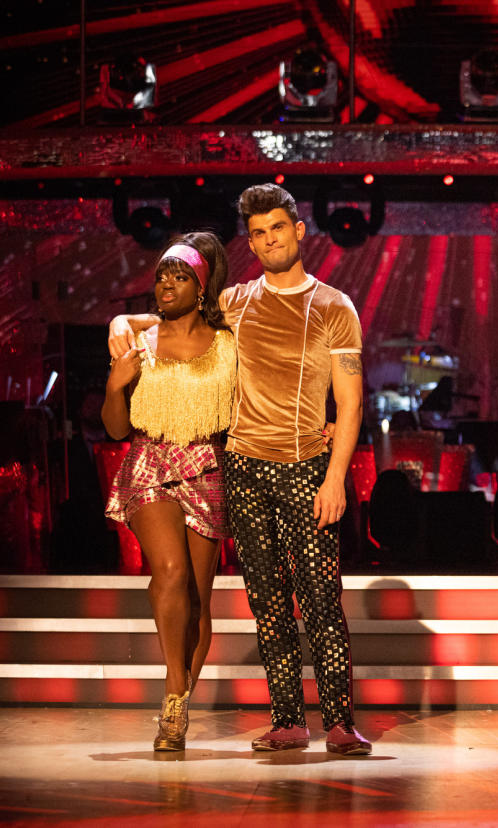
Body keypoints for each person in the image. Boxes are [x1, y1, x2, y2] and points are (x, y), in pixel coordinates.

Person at [109, 184, 370, 755]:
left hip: (307, 465)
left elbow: (350, 403)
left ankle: (339, 722)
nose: (268, 239)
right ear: (249, 242)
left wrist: (335, 478)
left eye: (277, 227)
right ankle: (286, 720)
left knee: (321, 596)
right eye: (257, 232)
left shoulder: (333, 306)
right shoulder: (237, 300)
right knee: (266, 600)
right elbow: (169, 318)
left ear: (299, 230)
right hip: (244, 466)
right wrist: (120, 325)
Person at [101, 232, 235, 751]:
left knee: (198, 606)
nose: (166, 286)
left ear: (201, 288)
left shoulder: (228, 346)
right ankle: (174, 697)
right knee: (171, 572)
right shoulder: (140, 343)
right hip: (150, 463)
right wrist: (116, 384)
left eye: (179, 277)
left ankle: (178, 693)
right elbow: (115, 429)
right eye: (160, 276)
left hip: (207, 468)